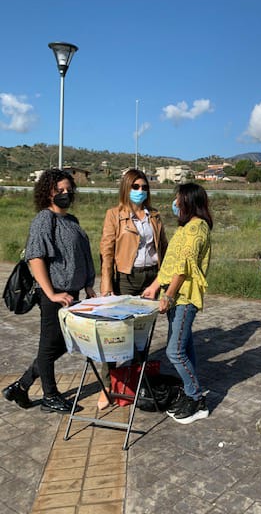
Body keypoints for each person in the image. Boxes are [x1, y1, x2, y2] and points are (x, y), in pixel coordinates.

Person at [2, 169, 96, 413]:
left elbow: (82, 256)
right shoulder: (45, 219)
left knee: (66, 342)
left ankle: (20, 387)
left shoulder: (71, 220)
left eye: (68, 190)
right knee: (48, 346)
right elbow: (35, 257)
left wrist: (88, 284)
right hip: (55, 295)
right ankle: (50, 396)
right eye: (59, 190)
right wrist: (52, 294)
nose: (65, 194)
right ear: (48, 193)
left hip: (72, 293)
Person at [97, 168, 168, 409]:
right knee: (115, 333)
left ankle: (131, 381)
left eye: (144, 187)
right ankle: (107, 385)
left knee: (141, 333)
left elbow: (164, 249)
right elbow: (106, 250)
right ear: (126, 188)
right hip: (126, 277)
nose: (140, 191)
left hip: (151, 277)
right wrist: (106, 281)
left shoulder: (154, 216)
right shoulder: (115, 215)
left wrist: (163, 280)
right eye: (135, 186)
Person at [142, 182, 212, 425]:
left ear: (188, 202)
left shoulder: (197, 229)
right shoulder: (185, 228)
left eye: (178, 200)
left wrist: (169, 295)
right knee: (186, 346)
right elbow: (170, 264)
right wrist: (154, 286)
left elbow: (184, 269)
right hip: (176, 296)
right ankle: (189, 389)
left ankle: (197, 399)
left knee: (174, 351)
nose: (175, 204)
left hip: (183, 297)